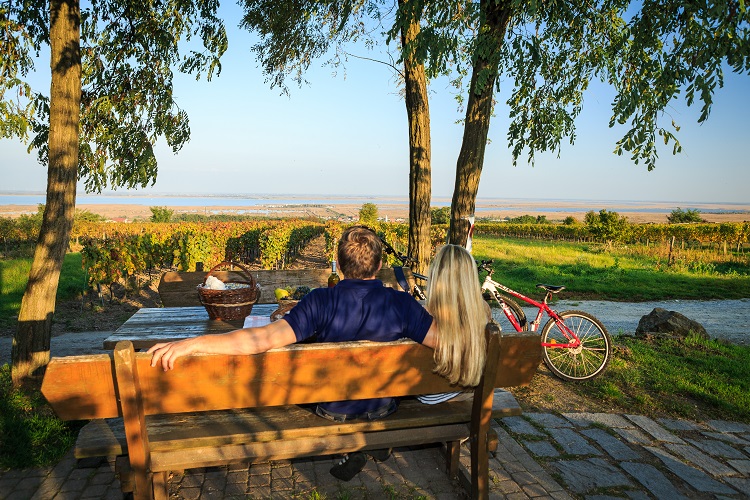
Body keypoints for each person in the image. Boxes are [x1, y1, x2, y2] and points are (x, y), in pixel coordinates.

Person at [148, 225, 437, 481]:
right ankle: (374, 444)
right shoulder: (402, 304)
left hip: (331, 411)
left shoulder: (320, 301)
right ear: (379, 264)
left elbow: (260, 340)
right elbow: (447, 342)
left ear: (338, 263)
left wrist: (194, 343)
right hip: (383, 408)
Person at [417, 243, 491, 405]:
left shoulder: (424, 314)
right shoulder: (483, 310)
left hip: (429, 396)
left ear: (436, 276)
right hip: (467, 387)